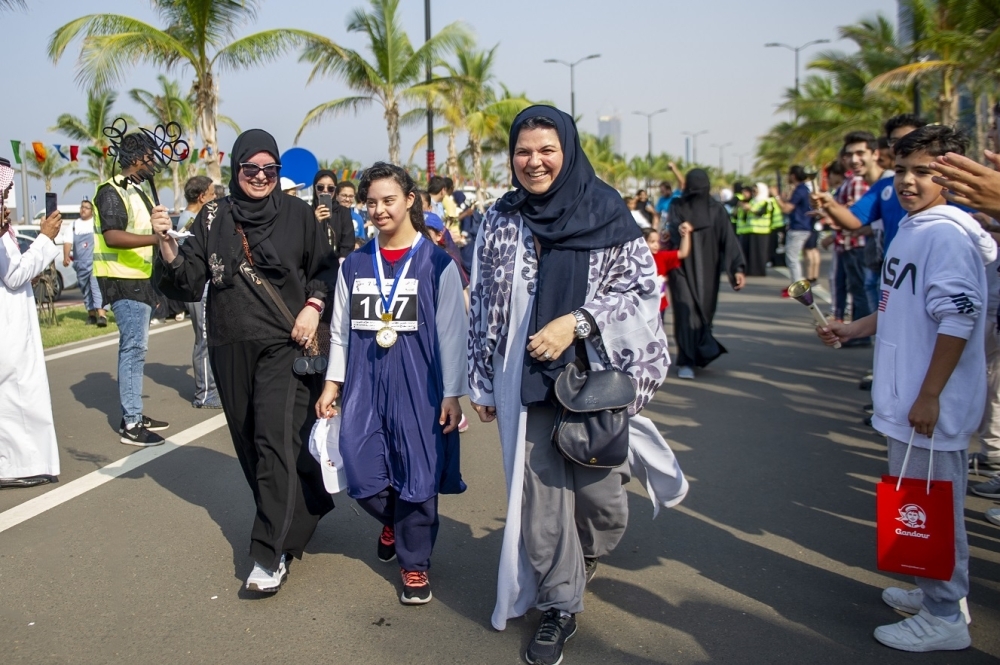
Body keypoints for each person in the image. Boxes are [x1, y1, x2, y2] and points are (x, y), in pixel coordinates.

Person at [467, 105, 688, 665]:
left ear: (567, 151)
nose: (533, 162)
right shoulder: (501, 217)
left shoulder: (607, 211)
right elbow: (485, 303)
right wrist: (483, 380)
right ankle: (559, 603)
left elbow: (640, 293)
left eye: (546, 150)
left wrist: (577, 322)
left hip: (593, 381)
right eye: (523, 151)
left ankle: (589, 550)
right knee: (541, 502)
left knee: (599, 499)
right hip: (528, 378)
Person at [816, 125, 993, 653]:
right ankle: (934, 591)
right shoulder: (914, 228)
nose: (909, 182)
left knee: (933, 509)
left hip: (927, 404)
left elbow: (959, 318)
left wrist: (931, 394)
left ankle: (945, 614)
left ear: (953, 175)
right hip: (909, 399)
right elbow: (901, 305)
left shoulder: (945, 233)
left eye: (924, 171)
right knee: (925, 504)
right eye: (901, 170)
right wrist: (856, 327)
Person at [155, 129, 338, 593]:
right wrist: (166, 245)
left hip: (284, 342)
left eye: (269, 170)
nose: (260, 177)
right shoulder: (213, 215)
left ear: (279, 172)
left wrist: (313, 308)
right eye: (250, 169)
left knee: (273, 438)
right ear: (236, 170)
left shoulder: (298, 214)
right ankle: (301, 509)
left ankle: (267, 554)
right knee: (250, 444)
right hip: (229, 342)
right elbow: (190, 277)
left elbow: (324, 270)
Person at [315, 162, 467, 606]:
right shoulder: (356, 264)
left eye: (388, 200)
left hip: (419, 387)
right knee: (360, 473)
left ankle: (414, 563)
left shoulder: (438, 264)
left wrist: (453, 393)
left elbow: (453, 336)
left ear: (409, 201)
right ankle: (393, 520)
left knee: (418, 479)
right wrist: (332, 384)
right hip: (365, 384)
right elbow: (340, 330)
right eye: (372, 202)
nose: (379, 210)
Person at [92, 130, 171, 446]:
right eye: (151, 156)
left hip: (141, 280)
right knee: (133, 348)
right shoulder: (111, 191)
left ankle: (135, 409)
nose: (154, 162)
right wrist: (158, 239)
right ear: (136, 158)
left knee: (138, 348)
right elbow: (113, 236)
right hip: (121, 280)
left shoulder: (138, 190)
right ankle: (132, 422)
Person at [0, 158, 62, 489]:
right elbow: (13, 274)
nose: (8, 199)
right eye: (5, 191)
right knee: (18, 391)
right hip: (7, 327)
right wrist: (44, 238)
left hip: (12, 319)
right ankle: (16, 465)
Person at [667, 168, 746, 380]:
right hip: (680, 268)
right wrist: (679, 230)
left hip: (709, 269)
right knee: (685, 312)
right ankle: (686, 360)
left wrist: (736, 269)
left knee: (704, 312)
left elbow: (728, 240)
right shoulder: (677, 206)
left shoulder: (717, 210)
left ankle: (701, 352)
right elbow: (670, 228)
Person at [176, 175, 220, 409]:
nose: (215, 198)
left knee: (209, 338)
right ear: (202, 196)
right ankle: (205, 394)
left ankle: (212, 387)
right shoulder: (191, 221)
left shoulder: (194, 218)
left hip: (206, 287)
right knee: (203, 340)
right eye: (212, 194)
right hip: (199, 288)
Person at [61, 199, 107, 326]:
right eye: (82, 207)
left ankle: (102, 316)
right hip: (80, 263)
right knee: (86, 289)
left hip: (95, 262)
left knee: (96, 287)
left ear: (92, 211)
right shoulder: (74, 225)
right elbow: (67, 242)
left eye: (87, 207)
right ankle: (91, 315)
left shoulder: (96, 223)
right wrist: (66, 257)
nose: (83, 209)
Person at [777, 165, 814, 287]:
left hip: (799, 227)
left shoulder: (800, 190)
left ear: (793, 175)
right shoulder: (803, 189)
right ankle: (796, 283)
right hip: (802, 226)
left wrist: (776, 197)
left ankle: (797, 286)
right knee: (793, 257)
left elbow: (787, 208)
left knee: (792, 258)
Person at [644, 223, 692, 315]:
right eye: (652, 242)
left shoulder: (662, 256)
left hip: (659, 305)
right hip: (642, 306)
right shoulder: (635, 259)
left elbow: (683, 253)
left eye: (657, 241)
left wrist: (686, 234)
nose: (656, 245)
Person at [311, 169, 355, 263]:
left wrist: (341, 263)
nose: (325, 191)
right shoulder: (307, 212)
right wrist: (314, 221)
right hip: (313, 267)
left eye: (330, 188)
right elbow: (302, 242)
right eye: (320, 187)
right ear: (314, 189)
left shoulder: (343, 212)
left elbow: (348, 242)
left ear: (335, 190)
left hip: (337, 266)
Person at [738, 183, 776, 277]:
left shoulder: (767, 201)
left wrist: (750, 209)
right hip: (751, 230)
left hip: (762, 231)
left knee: (759, 253)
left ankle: (759, 271)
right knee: (751, 253)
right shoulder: (753, 201)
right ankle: (750, 270)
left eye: (756, 191)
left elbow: (762, 212)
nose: (754, 193)